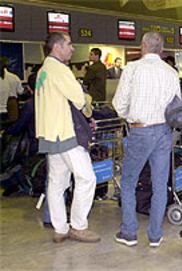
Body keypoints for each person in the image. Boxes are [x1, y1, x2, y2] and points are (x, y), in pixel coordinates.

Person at [112, 32, 181, 247]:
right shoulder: (171, 72)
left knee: (129, 182)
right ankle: (155, 235)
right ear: (161, 49)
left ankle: (129, 232)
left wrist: (128, 113)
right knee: (160, 185)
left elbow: (119, 103)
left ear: (143, 46)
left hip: (140, 131)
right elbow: (176, 105)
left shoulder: (132, 68)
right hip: (164, 132)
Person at [35, 31, 100, 243]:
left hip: (48, 133)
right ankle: (78, 226)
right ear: (57, 47)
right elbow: (79, 99)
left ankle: (60, 228)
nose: (72, 49)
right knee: (87, 178)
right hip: (64, 133)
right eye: (69, 44)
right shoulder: (60, 70)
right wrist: (87, 100)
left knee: (57, 182)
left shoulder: (43, 70)